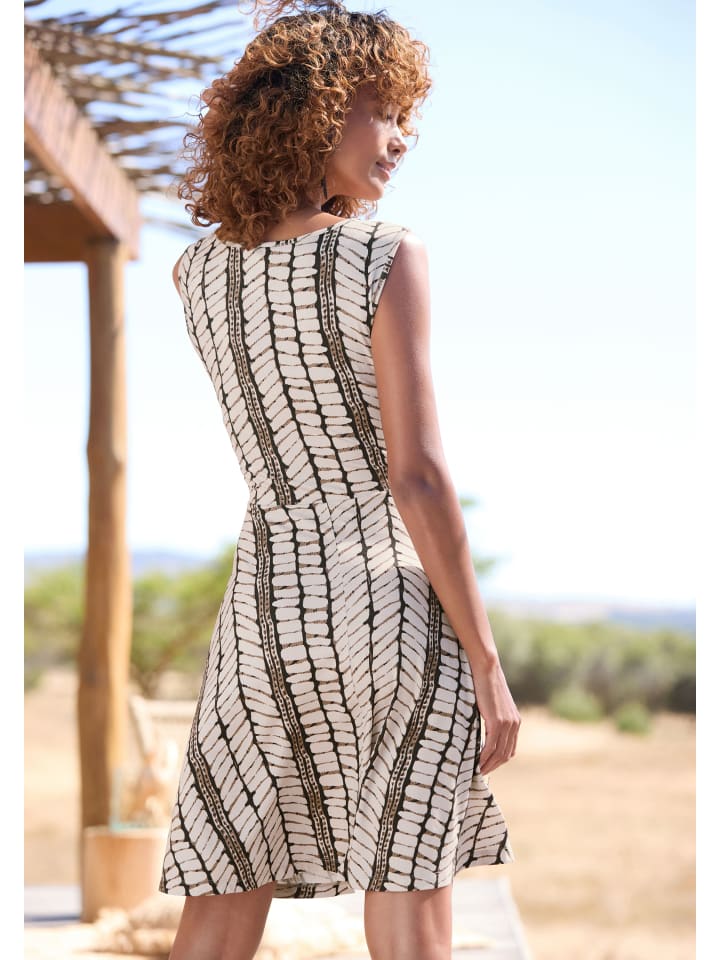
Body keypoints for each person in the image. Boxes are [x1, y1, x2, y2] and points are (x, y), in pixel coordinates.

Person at [159, 1, 521, 957]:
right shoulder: (384, 253)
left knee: (225, 881)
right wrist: (485, 662)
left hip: (265, 604)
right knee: (408, 884)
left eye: (406, 118)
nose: (400, 139)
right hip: (387, 602)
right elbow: (418, 477)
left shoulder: (195, 273)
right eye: (383, 112)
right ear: (314, 111)